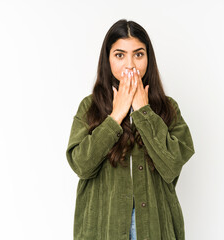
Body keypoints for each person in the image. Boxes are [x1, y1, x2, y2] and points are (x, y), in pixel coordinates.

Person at [66, 19, 195, 240]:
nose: (130, 65)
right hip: (104, 228)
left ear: (148, 58)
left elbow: (172, 165)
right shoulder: (90, 107)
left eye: (138, 54)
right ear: (107, 59)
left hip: (155, 227)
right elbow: (81, 165)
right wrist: (116, 115)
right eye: (119, 55)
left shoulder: (167, 107)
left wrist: (143, 111)